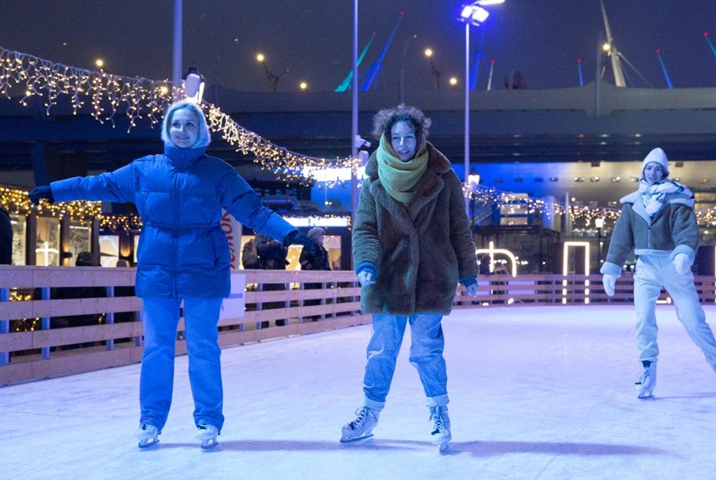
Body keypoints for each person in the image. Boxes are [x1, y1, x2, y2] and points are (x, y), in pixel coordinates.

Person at [28, 100, 318, 449]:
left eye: (190, 126)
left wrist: (289, 233)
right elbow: (100, 185)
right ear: (168, 129)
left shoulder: (219, 173)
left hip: (204, 273)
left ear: (200, 132)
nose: (182, 131)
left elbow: (253, 210)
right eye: (176, 125)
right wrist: (56, 190)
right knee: (156, 349)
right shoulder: (144, 170)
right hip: (158, 273)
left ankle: (208, 420)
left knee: (203, 347)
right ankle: (150, 420)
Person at [341, 104, 479, 451]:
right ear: (387, 140)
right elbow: (365, 230)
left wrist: (468, 270)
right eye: (396, 138)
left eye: (409, 137)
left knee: (427, 350)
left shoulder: (443, 177)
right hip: (388, 278)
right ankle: (370, 413)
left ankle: (438, 411)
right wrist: (367, 264)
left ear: (420, 138)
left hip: (433, 276)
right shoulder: (374, 181)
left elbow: (459, 228)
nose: (403, 144)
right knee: (381, 350)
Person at [600, 147, 716, 399]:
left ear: (664, 172)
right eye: (648, 168)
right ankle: (648, 369)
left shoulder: (677, 199)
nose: (652, 173)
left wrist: (684, 251)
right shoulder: (632, 203)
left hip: (674, 266)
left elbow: (687, 230)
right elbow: (621, 238)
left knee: (693, 319)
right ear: (643, 171)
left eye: (657, 169)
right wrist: (613, 266)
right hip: (646, 267)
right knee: (643, 319)